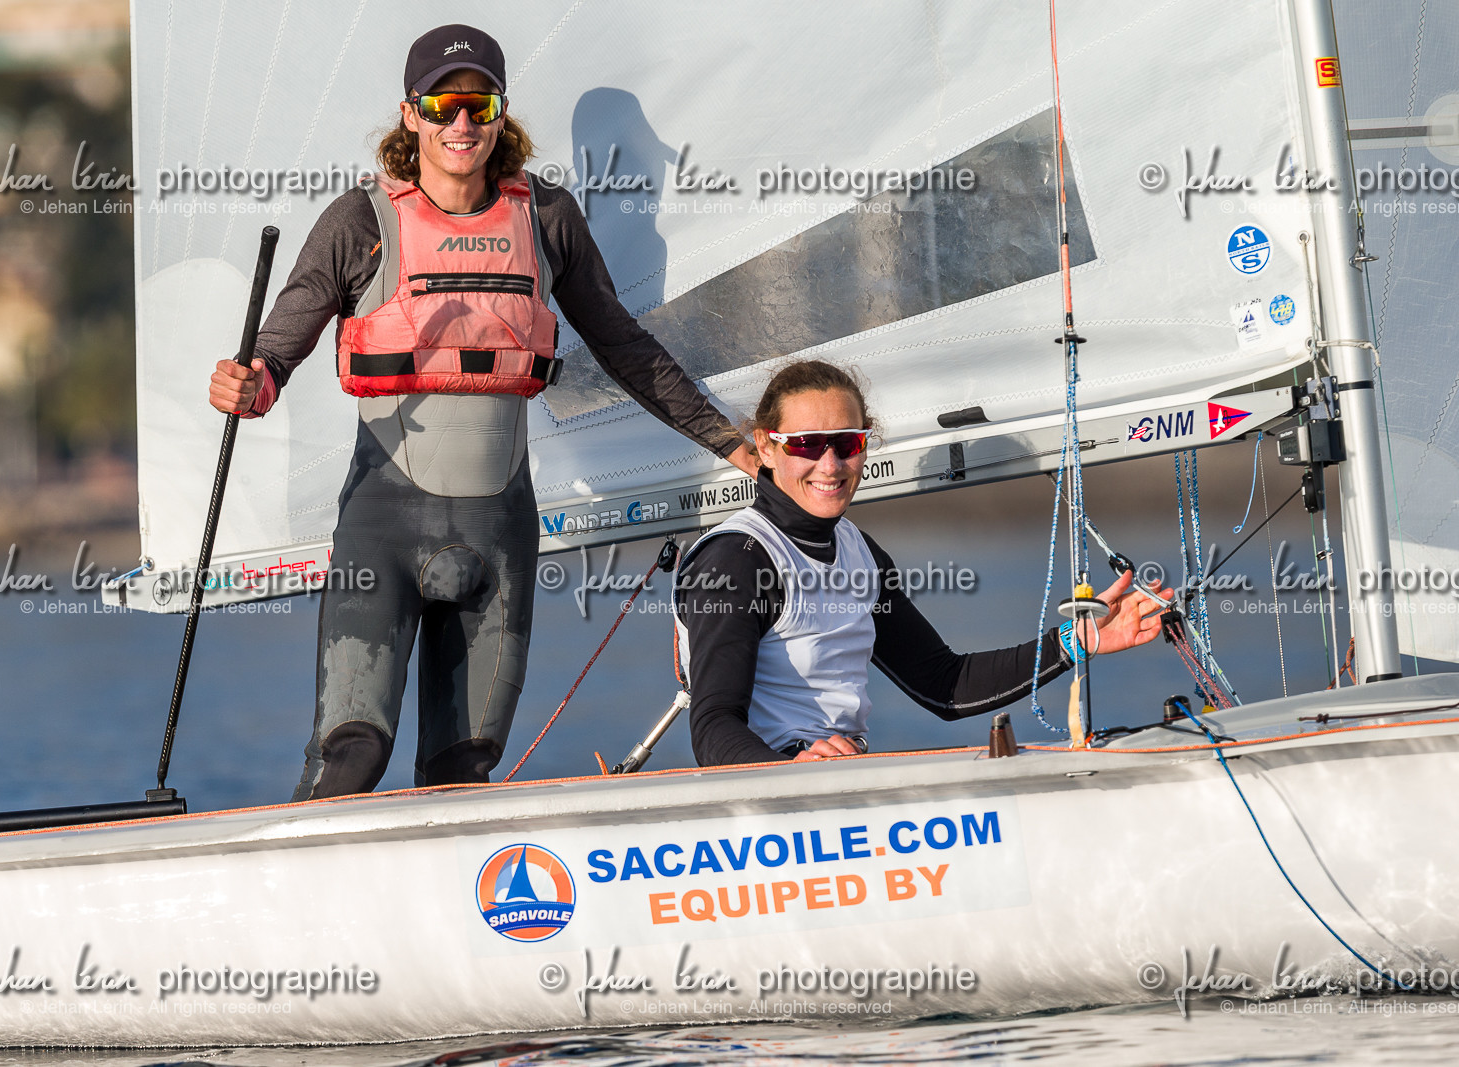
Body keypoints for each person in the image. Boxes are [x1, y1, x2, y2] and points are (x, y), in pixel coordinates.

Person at [208, 24, 757, 795]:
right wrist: (249, 384)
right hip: (381, 536)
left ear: (500, 112)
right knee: (352, 754)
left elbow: (621, 346)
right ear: (411, 116)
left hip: (498, 539)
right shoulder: (360, 223)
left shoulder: (548, 218)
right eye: (442, 105)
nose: (460, 122)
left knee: (462, 770)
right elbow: (278, 347)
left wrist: (735, 445)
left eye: (478, 104)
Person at [673, 360, 1167, 765]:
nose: (830, 464)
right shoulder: (736, 562)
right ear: (766, 445)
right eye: (806, 444)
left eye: (847, 443)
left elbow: (944, 686)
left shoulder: (858, 552)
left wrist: (1079, 641)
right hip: (772, 806)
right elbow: (714, 728)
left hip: (835, 784)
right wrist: (789, 772)